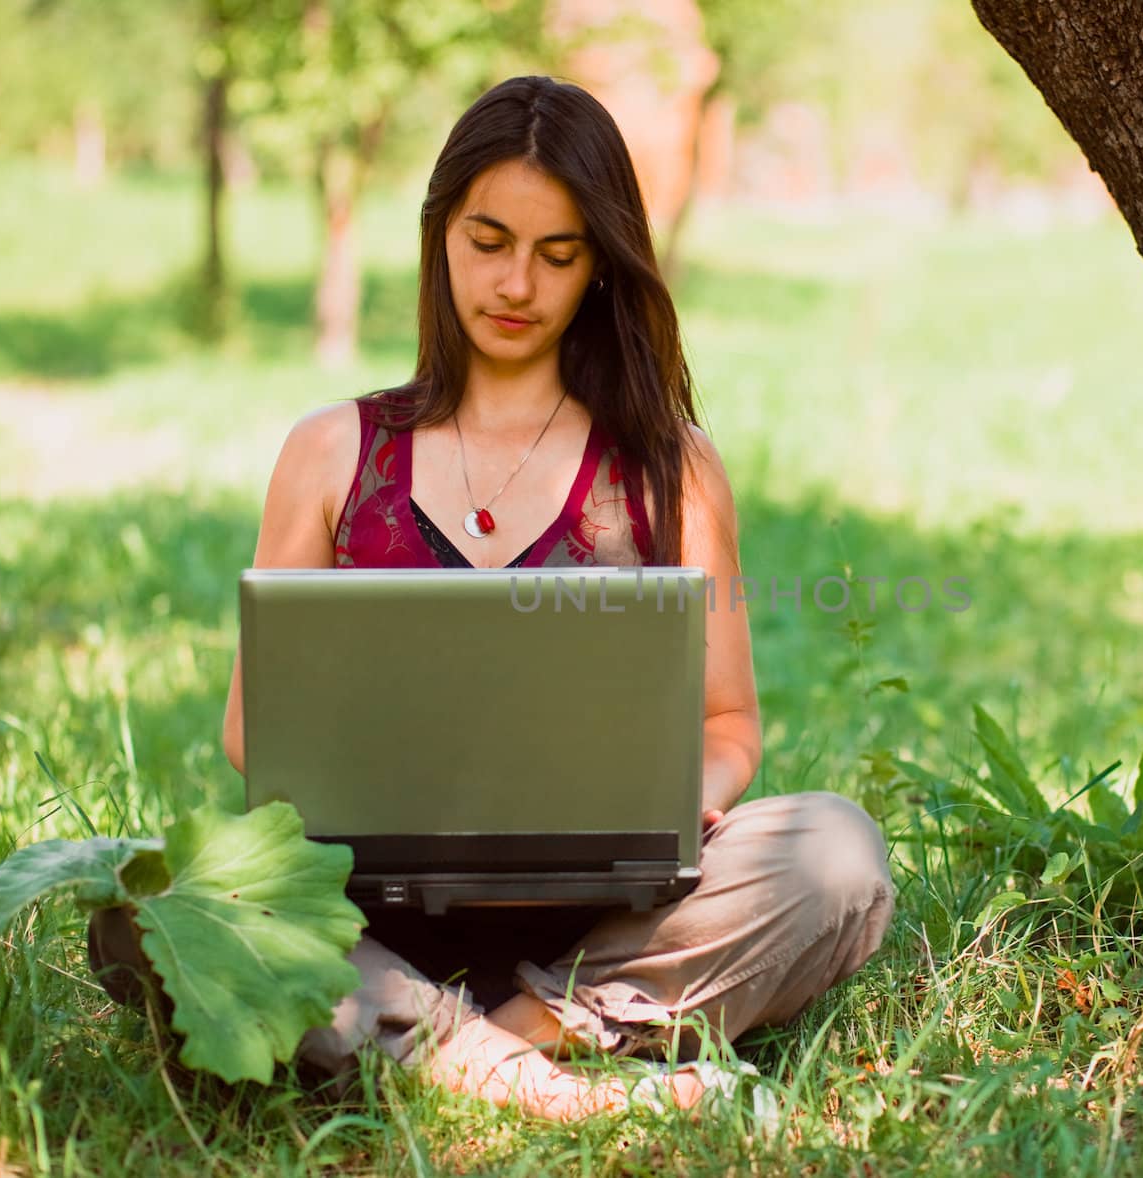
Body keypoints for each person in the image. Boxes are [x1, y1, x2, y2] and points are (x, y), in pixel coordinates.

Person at [103, 76, 893, 1121]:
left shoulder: (671, 468)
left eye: (557, 255)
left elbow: (729, 721)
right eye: (487, 240)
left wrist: (681, 788)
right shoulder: (331, 451)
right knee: (147, 900)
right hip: (365, 909)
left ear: (600, 268)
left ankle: (474, 1052)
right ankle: (557, 1088)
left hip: (600, 914)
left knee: (836, 853)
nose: (515, 281)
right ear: (439, 238)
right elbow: (258, 730)